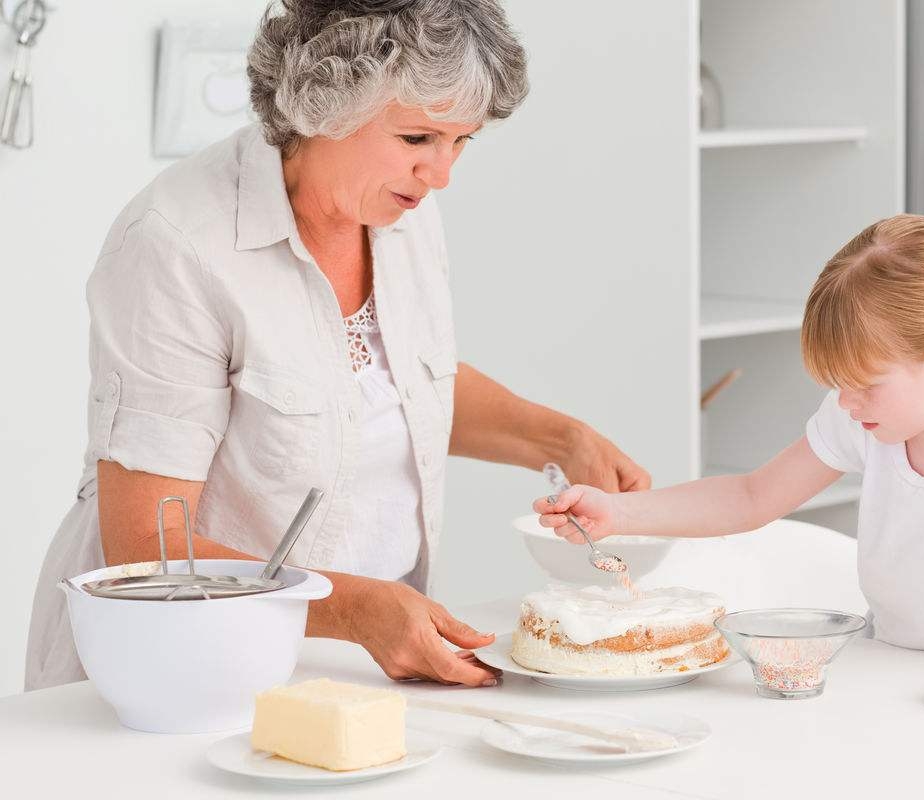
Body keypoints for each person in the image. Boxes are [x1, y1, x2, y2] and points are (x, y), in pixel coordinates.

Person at [26, 0, 649, 692]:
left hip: (353, 670)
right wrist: (354, 610)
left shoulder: (401, 211)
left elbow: (394, 386)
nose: (441, 174)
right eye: (417, 138)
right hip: (181, 673)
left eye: (461, 141)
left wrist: (556, 440)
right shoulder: (178, 246)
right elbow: (147, 551)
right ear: (327, 103)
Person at [536, 214, 924, 717]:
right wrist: (617, 512)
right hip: (887, 679)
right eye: (839, 386)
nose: (846, 404)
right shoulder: (873, 417)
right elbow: (752, 498)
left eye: (863, 386)